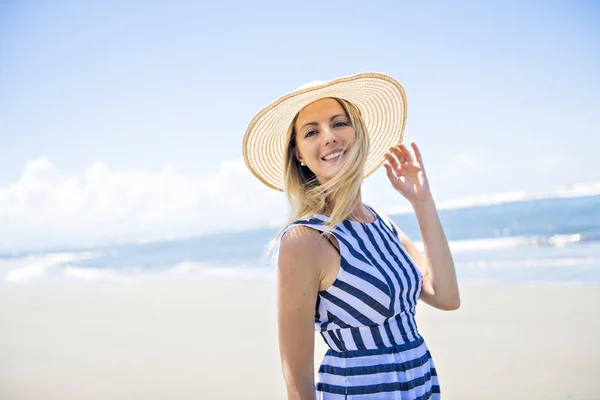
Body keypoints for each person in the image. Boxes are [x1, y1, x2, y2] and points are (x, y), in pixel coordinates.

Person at [242, 72, 460, 399]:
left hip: (422, 388)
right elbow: (296, 378)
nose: (328, 137)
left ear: (357, 133)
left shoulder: (380, 224)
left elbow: (445, 297)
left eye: (339, 123)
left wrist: (422, 202)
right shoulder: (305, 240)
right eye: (311, 131)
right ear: (299, 154)